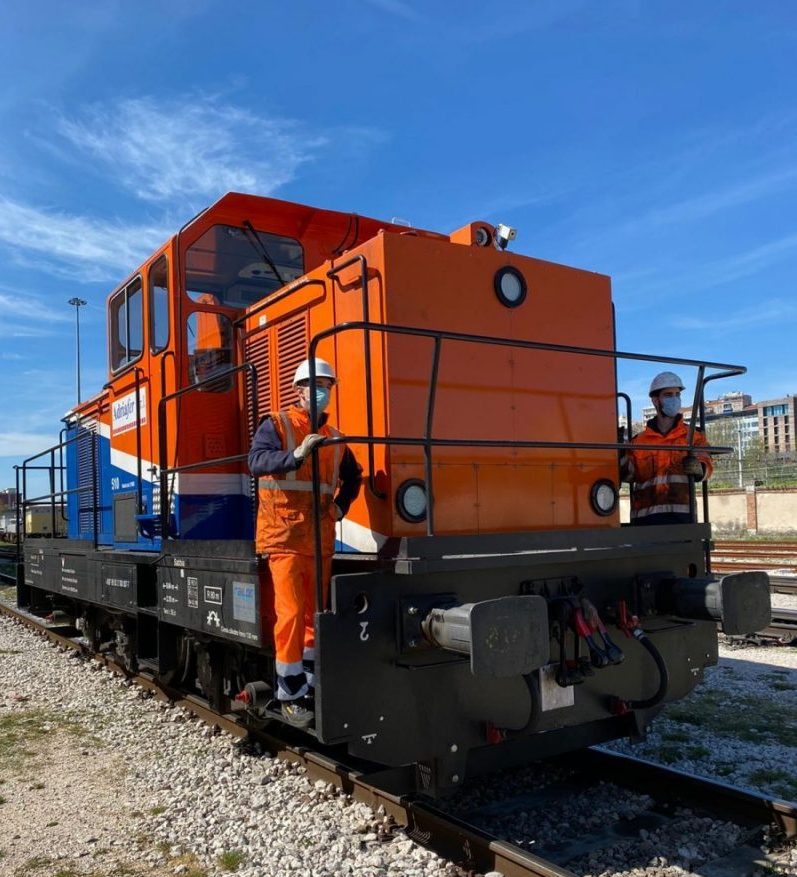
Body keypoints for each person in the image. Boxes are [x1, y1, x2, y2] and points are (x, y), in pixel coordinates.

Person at [248, 357, 362, 727]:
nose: (320, 391)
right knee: (292, 613)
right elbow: (257, 461)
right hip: (283, 536)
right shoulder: (276, 424)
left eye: (327, 385)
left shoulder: (334, 438)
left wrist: (341, 507)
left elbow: (353, 476)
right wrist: (295, 455)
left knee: (314, 614)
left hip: (319, 538)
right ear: (297, 390)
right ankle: (290, 690)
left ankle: (310, 680)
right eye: (314, 384)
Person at [621, 371, 713, 526]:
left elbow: (707, 465)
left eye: (677, 394)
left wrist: (700, 468)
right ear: (655, 401)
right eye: (669, 395)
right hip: (645, 521)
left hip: (682, 520)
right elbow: (628, 475)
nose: (675, 399)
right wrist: (620, 451)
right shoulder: (638, 442)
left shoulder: (693, 436)